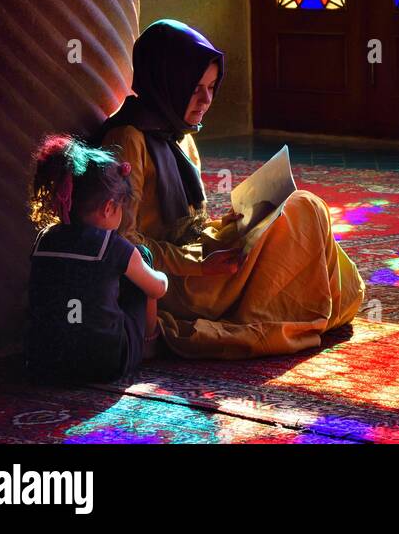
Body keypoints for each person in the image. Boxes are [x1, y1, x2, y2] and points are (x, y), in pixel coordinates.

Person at [98, 19, 364, 359]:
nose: (206, 100)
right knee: (303, 209)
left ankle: (280, 304)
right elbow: (124, 242)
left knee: (308, 223)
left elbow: (191, 223)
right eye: (194, 88)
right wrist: (201, 262)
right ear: (166, 82)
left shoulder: (179, 134)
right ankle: (265, 313)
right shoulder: (128, 139)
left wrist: (235, 224)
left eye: (212, 87)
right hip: (176, 280)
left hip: (203, 258)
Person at [26, 135, 168, 383]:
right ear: (108, 208)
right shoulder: (113, 246)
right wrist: (162, 277)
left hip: (45, 361)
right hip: (105, 363)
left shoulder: (44, 239)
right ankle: (148, 346)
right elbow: (157, 288)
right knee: (143, 257)